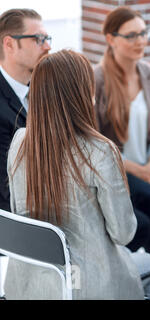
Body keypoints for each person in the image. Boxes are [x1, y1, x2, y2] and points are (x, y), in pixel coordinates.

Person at [5, 49, 150, 300]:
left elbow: (19, 213)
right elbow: (124, 233)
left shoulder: (19, 141)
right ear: (82, 92)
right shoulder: (100, 150)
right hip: (88, 286)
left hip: (28, 285)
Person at [94, 6, 150, 290]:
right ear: (111, 39)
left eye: (144, 33)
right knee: (147, 194)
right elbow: (97, 141)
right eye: (131, 35)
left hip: (147, 162)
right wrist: (140, 170)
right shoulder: (97, 78)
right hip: (116, 165)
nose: (141, 40)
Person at [0, 9, 51, 212]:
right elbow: (8, 189)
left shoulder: (44, 88)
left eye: (47, 38)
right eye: (38, 39)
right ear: (10, 44)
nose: (48, 46)